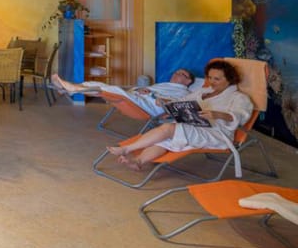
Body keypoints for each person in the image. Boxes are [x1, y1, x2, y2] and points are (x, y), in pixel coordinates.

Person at [106, 60, 253, 175]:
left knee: (168, 128)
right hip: (195, 126)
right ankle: (138, 161)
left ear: (230, 79)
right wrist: (167, 102)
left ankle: (126, 149)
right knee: (164, 138)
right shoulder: (203, 91)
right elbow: (183, 101)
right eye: (210, 77)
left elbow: (241, 116)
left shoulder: (239, 98)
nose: (212, 82)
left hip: (216, 134)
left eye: (217, 79)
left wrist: (217, 114)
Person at [50, 68, 196, 116]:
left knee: (112, 90)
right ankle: (68, 88)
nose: (176, 74)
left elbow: (174, 104)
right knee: (102, 86)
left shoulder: (184, 93)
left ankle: (70, 89)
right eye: (176, 72)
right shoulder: (165, 84)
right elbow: (149, 90)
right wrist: (141, 89)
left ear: (188, 81)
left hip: (148, 106)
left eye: (181, 74)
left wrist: (151, 94)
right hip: (138, 97)